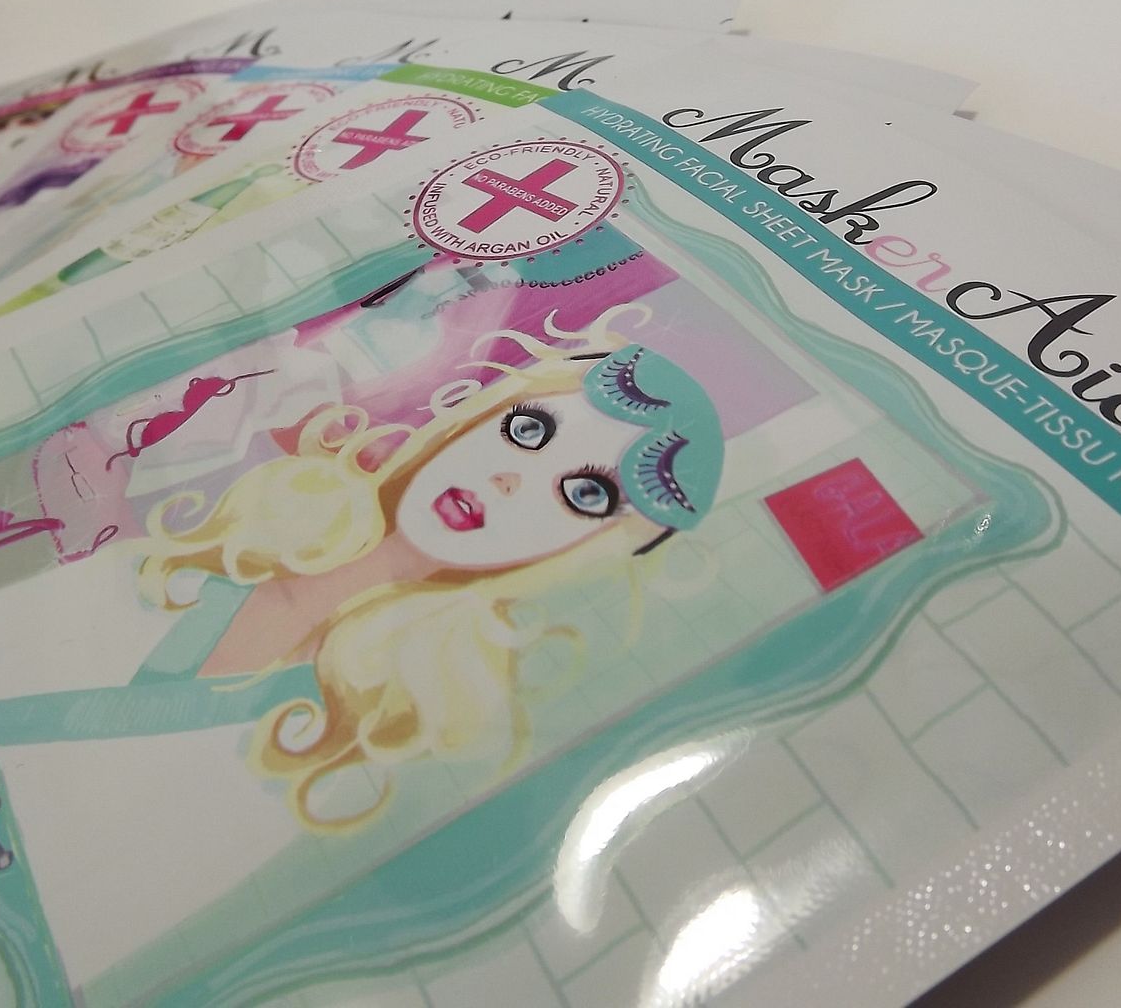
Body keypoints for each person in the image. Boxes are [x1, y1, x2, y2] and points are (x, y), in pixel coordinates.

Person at [125, 302, 726, 830]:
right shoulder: (263, 518)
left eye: (584, 494)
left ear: (588, 550)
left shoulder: (406, 700)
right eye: (529, 429)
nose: (508, 479)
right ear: (477, 419)